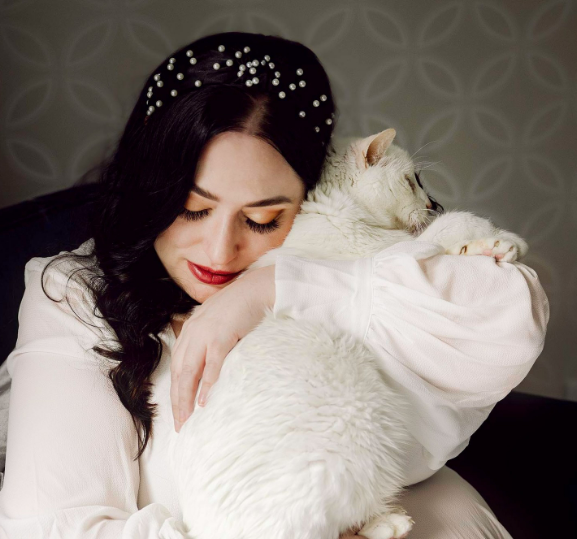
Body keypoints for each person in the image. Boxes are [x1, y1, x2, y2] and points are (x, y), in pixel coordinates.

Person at [0, 31, 549, 539]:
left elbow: (509, 314)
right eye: (192, 209)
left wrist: (273, 288)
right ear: (150, 190)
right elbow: (53, 526)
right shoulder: (74, 294)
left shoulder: (340, 263)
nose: (220, 252)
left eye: (262, 219)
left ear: (313, 194)